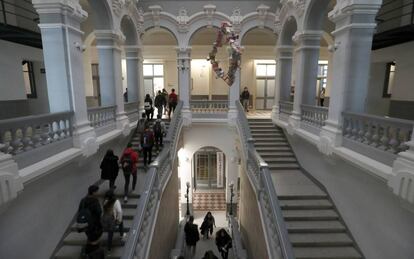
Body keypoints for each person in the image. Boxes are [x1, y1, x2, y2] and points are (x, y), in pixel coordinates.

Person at [77, 185, 103, 251]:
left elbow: (80, 211)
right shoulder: (95, 201)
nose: (98, 193)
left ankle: (88, 250)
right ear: (93, 192)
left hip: (85, 223)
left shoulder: (83, 200)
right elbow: (99, 212)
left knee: (89, 236)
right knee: (95, 238)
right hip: (94, 224)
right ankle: (94, 252)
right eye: (97, 191)